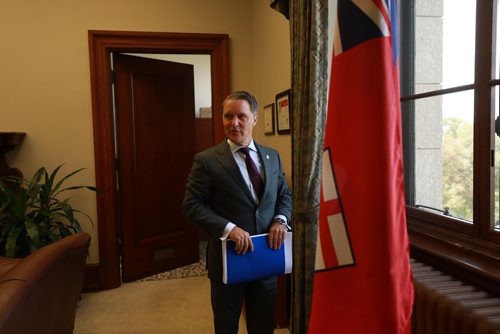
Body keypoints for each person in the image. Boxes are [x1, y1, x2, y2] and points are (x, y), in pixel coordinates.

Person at [182, 91, 292, 334]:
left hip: (266, 256)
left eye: (241, 116)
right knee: (226, 326)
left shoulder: (272, 156)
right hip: (228, 259)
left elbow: (284, 195)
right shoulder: (207, 160)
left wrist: (280, 220)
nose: (234, 123)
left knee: (263, 325)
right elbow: (191, 206)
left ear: (254, 119)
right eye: (228, 116)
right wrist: (229, 229)